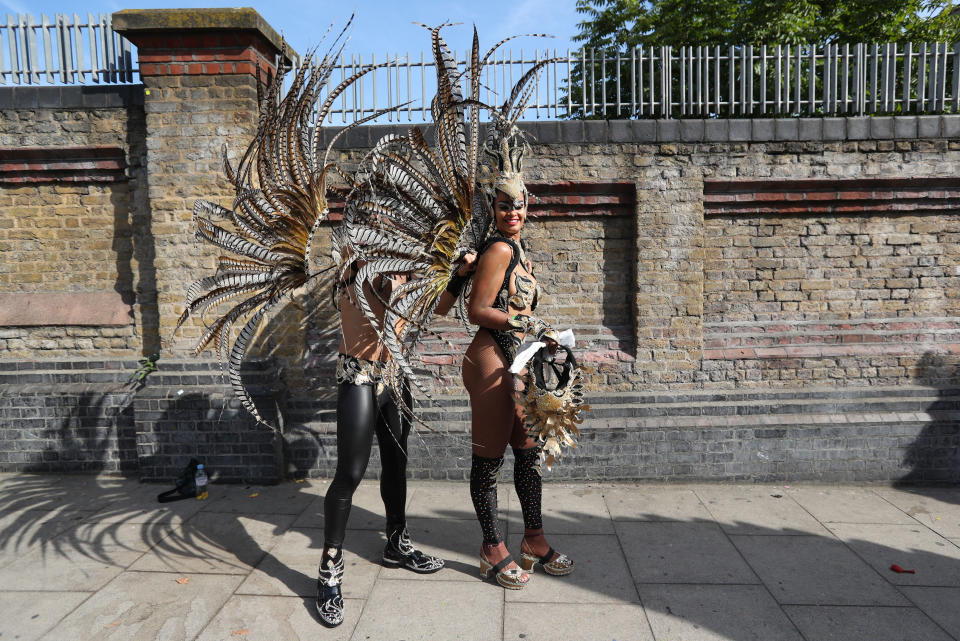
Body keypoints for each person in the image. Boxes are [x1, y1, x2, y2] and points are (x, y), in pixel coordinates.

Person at [315, 238, 476, 627]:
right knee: (350, 473)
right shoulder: (355, 260)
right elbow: (357, 280)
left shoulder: (412, 265)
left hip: (394, 375)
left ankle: (396, 542)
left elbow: (436, 307)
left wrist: (457, 276)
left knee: (396, 462)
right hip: (359, 374)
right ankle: (329, 568)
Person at [462, 161, 576, 590]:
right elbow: (479, 311)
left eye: (520, 205)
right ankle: (492, 547)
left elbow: (518, 308)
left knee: (528, 455)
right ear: (493, 209)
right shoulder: (500, 250)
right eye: (505, 205)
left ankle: (534, 540)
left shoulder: (520, 249)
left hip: (518, 360)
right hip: (490, 359)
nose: (513, 212)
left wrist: (539, 334)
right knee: (489, 460)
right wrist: (531, 327)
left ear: (528, 208)